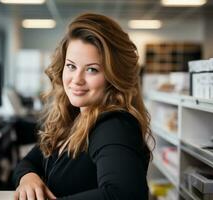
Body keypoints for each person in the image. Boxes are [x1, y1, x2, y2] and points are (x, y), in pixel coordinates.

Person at [13, 12, 154, 200]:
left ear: (113, 77)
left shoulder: (114, 125)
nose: (76, 80)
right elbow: (30, 161)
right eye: (71, 66)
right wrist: (28, 178)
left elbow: (125, 194)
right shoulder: (74, 117)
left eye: (92, 69)